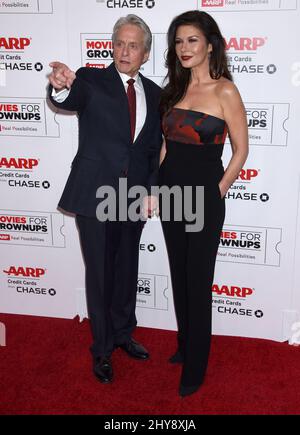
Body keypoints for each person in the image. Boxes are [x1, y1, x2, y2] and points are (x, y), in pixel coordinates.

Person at [48, 14, 162, 384]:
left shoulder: (156, 94)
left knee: (127, 269)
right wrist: (62, 86)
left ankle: (123, 334)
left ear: (145, 53)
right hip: (95, 193)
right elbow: (71, 96)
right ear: (111, 46)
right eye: (119, 43)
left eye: (133, 45)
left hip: (133, 198)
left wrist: (152, 189)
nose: (124, 51)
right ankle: (101, 350)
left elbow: (152, 149)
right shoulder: (92, 79)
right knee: (99, 274)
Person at [159, 10, 249, 397]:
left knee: (198, 280)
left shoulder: (225, 90)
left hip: (204, 199)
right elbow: (165, 146)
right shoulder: (175, 88)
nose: (184, 48)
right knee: (178, 274)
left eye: (192, 40)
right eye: (179, 41)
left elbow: (241, 151)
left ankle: (196, 366)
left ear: (210, 44)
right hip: (169, 195)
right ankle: (184, 345)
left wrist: (218, 190)